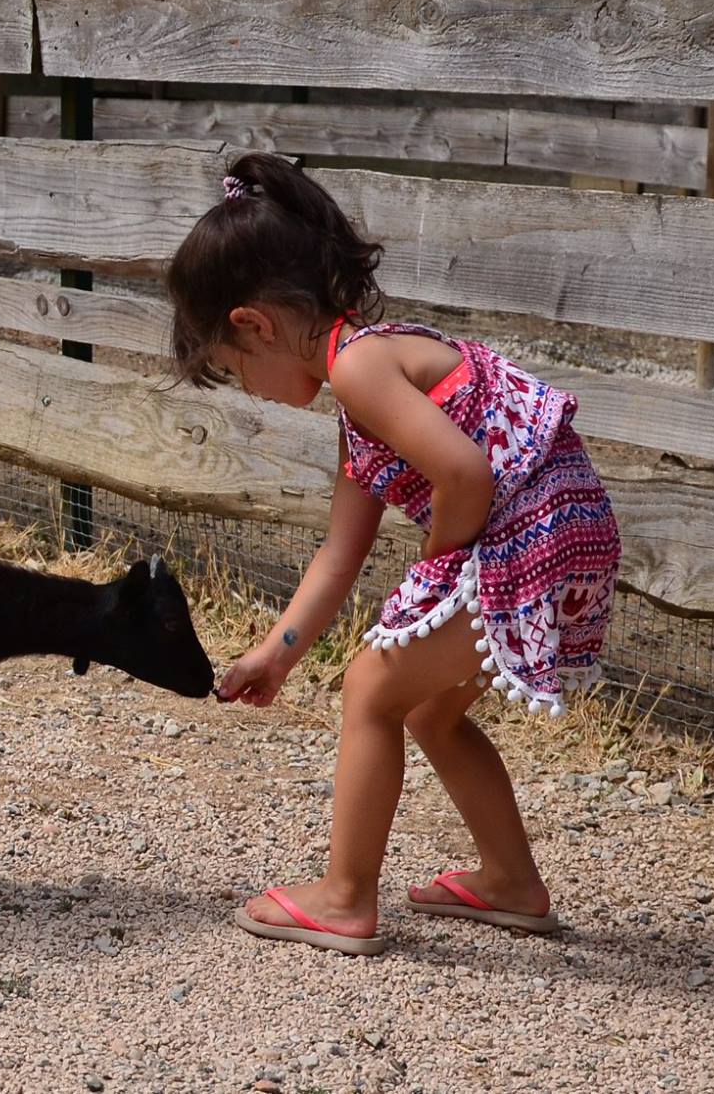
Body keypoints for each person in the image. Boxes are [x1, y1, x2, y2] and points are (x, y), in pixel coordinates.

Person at [166, 152, 621, 955]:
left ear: (253, 324)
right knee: (428, 710)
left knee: (371, 689)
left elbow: (465, 473)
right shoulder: (368, 383)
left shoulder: (359, 369)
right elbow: (339, 557)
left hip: (524, 533)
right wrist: (277, 653)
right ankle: (512, 882)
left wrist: (441, 558)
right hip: (568, 528)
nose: (252, 388)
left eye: (236, 373)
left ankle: (344, 896)